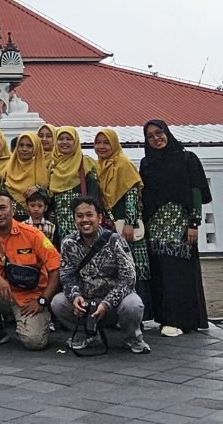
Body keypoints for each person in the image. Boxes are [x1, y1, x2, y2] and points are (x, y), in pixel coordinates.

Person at [0, 191, 61, 350]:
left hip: (30, 299)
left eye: (2, 208)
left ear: (12, 210)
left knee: (34, 342)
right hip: (1, 293)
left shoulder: (32, 234)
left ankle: (40, 320)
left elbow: (56, 268)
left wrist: (43, 301)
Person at [140, 119, 213, 337]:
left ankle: (182, 319)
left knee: (177, 271)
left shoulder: (186, 158)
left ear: (167, 133)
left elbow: (196, 192)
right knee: (160, 271)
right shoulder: (147, 163)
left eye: (159, 133)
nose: (156, 139)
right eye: (150, 136)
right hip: (155, 226)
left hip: (179, 224)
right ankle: (165, 319)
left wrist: (194, 223)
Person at [52, 197, 151, 354]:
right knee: (58, 302)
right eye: (79, 216)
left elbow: (129, 279)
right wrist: (75, 296)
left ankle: (132, 338)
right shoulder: (68, 243)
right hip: (86, 302)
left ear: (99, 217)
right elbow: (67, 276)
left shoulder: (115, 241)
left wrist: (106, 303)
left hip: (115, 303)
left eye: (89, 215)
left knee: (133, 305)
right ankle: (88, 335)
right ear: (74, 219)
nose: (85, 220)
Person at [94, 128, 151, 318]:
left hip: (127, 227)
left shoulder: (123, 165)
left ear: (115, 144)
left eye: (106, 142)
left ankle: (140, 314)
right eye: (98, 142)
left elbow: (132, 195)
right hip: (109, 227)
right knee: (116, 269)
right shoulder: (98, 167)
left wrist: (130, 222)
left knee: (133, 269)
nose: (101, 147)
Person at [49, 126, 100, 240]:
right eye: (61, 139)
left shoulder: (86, 163)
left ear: (76, 141)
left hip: (84, 224)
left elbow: (94, 196)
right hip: (60, 226)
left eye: (69, 139)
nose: (64, 142)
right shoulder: (53, 165)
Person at [3, 132, 50, 223]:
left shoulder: (42, 169)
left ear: (36, 148)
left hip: (37, 222)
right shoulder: (8, 169)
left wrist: (38, 188)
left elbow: (50, 197)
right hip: (12, 222)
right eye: (21, 145)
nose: (24, 149)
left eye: (29, 146)